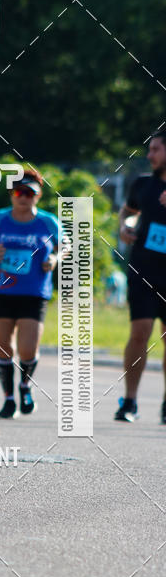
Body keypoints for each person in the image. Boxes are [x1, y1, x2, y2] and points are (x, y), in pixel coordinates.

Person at [0, 169, 64, 418]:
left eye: (29, 193)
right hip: (3, 291)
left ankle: (25, 385)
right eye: (18, 193)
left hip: (34, 293)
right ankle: (8, 399)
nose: (23, 197)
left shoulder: (48, 222)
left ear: (38, 196)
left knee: (28, 349)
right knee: (3, 347)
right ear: (11, 195)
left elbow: (66, 246)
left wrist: (55, 258)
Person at [115, 130, 166, 423]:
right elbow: (127, 212)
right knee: (139, 333)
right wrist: (125, 226)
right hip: (143, 271)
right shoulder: (143, 184)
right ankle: (129, 401)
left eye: (156, 149)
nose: (149, 155)